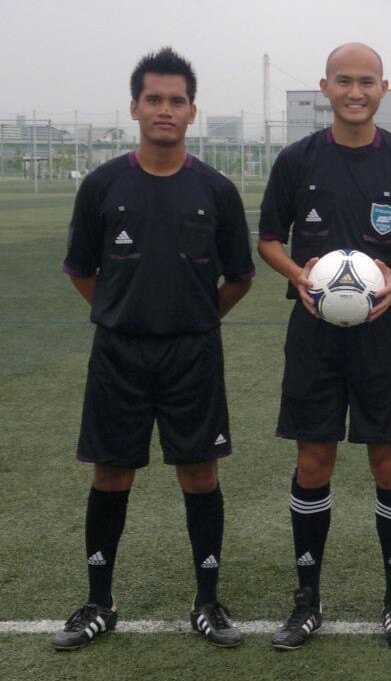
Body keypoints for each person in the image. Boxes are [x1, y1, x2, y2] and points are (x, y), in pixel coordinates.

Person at [52, 47, 254, 650]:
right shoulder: (102, 184)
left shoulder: (215, 191)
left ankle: (208, 602)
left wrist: (192, 318)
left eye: (176, 100)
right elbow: (81, 269)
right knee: (112, 473)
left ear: (193, 111)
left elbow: (239, 277)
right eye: (154, 99)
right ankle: (97, 601)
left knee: (198, 472)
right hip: (119, 353)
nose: (164, 110)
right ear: (135, 106)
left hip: (192, 354)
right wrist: (118, 312)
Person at [258, 42, 391, 651]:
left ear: (383, 88)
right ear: (325, 86)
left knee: (388, 462)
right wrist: (298, 276)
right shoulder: (296, 160)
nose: (355, 91)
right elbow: (268, 239)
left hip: (385, 334)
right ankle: (307, 600)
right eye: (344, 80)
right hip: (312, 334)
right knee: (314, 461)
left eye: (366, 81)